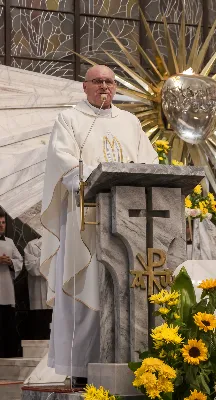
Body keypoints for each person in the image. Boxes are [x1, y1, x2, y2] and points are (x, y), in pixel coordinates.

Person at [40, 65, 158, 380]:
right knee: (85, 290)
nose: (103, 87)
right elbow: (64, 163)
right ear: (85, 87)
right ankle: (77, 368)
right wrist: (99, 173)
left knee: (124, 292)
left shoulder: (130, 122)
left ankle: (129, 363)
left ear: (115, 87)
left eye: (108, 81)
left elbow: (151, 163)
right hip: (84, 222)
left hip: (127, 222)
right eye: (97, 81)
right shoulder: (69, 119)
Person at [0, 208, 23, 357]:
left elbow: (19, 260)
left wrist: (10, 262)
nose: (1, 225)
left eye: (3, 223)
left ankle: (8, 355)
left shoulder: (10, 242)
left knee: (7, 324)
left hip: (6, 289)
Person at [24, 238, 48, 310]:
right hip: (38, 288)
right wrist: (48, 257)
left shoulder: (62, 243)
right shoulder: (32, 245)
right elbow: (31, 267)